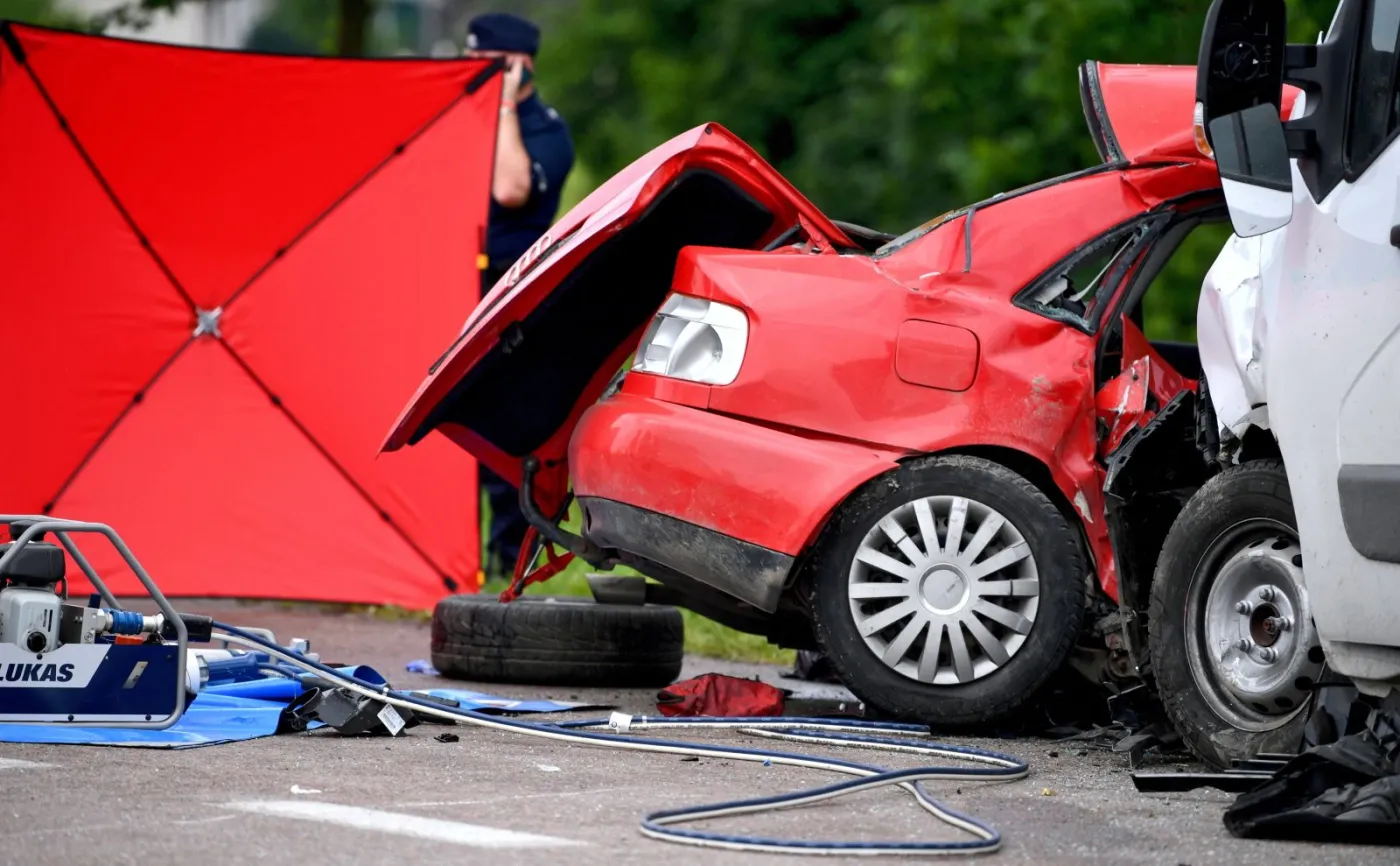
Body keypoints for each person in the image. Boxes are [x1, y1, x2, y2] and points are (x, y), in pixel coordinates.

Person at [465, 12, 575, 579]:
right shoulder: (463, 114)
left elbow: (510, 190)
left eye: (491, 62)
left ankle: (507, 560)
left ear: (521, 63)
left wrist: (503, 102)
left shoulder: (544, 129)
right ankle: (460, 557)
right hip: (457, 283)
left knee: (499, 431)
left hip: (511, 292)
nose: (477, 72)